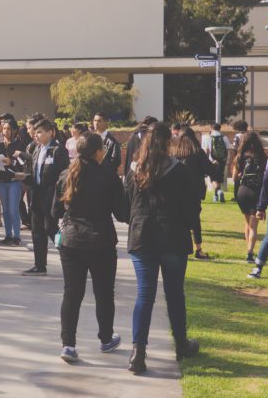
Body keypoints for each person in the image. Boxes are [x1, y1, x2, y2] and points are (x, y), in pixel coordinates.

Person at [125, 122, 201, 374]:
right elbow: (192, 207)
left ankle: (138, 352)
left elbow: (128, 205)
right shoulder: (179, 170)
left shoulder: (135, 170)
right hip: (172, 237)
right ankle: (181, 344)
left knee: (144, 295)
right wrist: (188, 224)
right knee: (175, 294)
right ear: (169, 142)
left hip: (143, 237)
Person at [52, 133, 128, 363]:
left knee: (72, 293)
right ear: (97, 152)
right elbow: (122, 212)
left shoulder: (66, 174)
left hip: (72, 240)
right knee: (104, 293)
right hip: (101, 240)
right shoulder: (108, 176)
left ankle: (68, 345)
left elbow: (55, 211)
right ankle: (106, 338)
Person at [21, 119, 69, 276]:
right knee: (37, 231)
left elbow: (64, 176)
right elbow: (36, 173)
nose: (36, 135)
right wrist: (24, 177)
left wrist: (60, 197)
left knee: (51, 229)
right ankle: (39, 265)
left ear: (50, 132)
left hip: (51, 196)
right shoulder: (37, 149)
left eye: (40, 132)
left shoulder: (58, 150)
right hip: (36, 195)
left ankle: (69, 256)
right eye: (35, 132)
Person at [171, 129, 212, 261]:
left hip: (176, 189)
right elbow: (208, 169)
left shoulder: (174, 151)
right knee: (195, 220)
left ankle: (177, 246)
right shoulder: (197, 151)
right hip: (194, 190)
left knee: (178, 218)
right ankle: (198, 249)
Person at [233, 131, 266, 263]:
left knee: (247, 223)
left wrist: (240, 175)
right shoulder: (262, 157)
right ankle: (250, 253)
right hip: (256, 192)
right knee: (253, 226)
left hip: (242, 192)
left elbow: (234, 178)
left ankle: (249, 249)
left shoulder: (239, 156)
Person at [0, 118, 27, 246]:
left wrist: (11, 161)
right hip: (1, 181)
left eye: (8, 129)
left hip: (14, 181)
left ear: (14, 130)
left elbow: (23, 163)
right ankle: (8, 235)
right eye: (4, 128)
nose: (6, 131)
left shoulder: (20, 145)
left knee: (13, 209)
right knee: (6, 210)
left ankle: (17, 236)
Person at [251, 151, 268, 278]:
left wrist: (261, 207)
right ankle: (258, 267)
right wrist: (261, 207)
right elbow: (267, 183)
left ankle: (257, 268)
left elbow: (267, 183)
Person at [201, 123, 231, 202]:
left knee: (213, 178)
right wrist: (227, 161)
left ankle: (219, 192)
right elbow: (228, 150)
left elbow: (206, 151)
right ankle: (216, 195)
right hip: (222, 161)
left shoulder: (207, 137)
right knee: (219, 178)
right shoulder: (224, 137)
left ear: (211, 128)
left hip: (212, 161)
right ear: (220, 128)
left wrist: (206, 162)